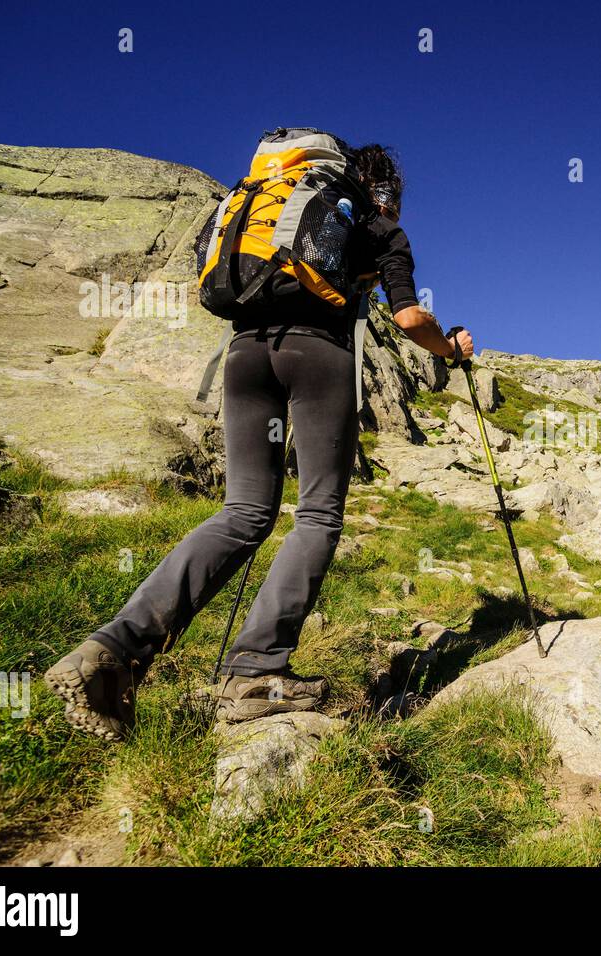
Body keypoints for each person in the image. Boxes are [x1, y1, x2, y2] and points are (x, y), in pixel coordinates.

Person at [44, 142, 472, 740]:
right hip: (317, 355)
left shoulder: (274, 206)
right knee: (318, 513)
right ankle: (255, 671)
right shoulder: (375, 225)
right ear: (383, 190)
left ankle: (112, 650)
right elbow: (408, 319)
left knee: (243, 511)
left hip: (244, 355)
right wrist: (451, 350)